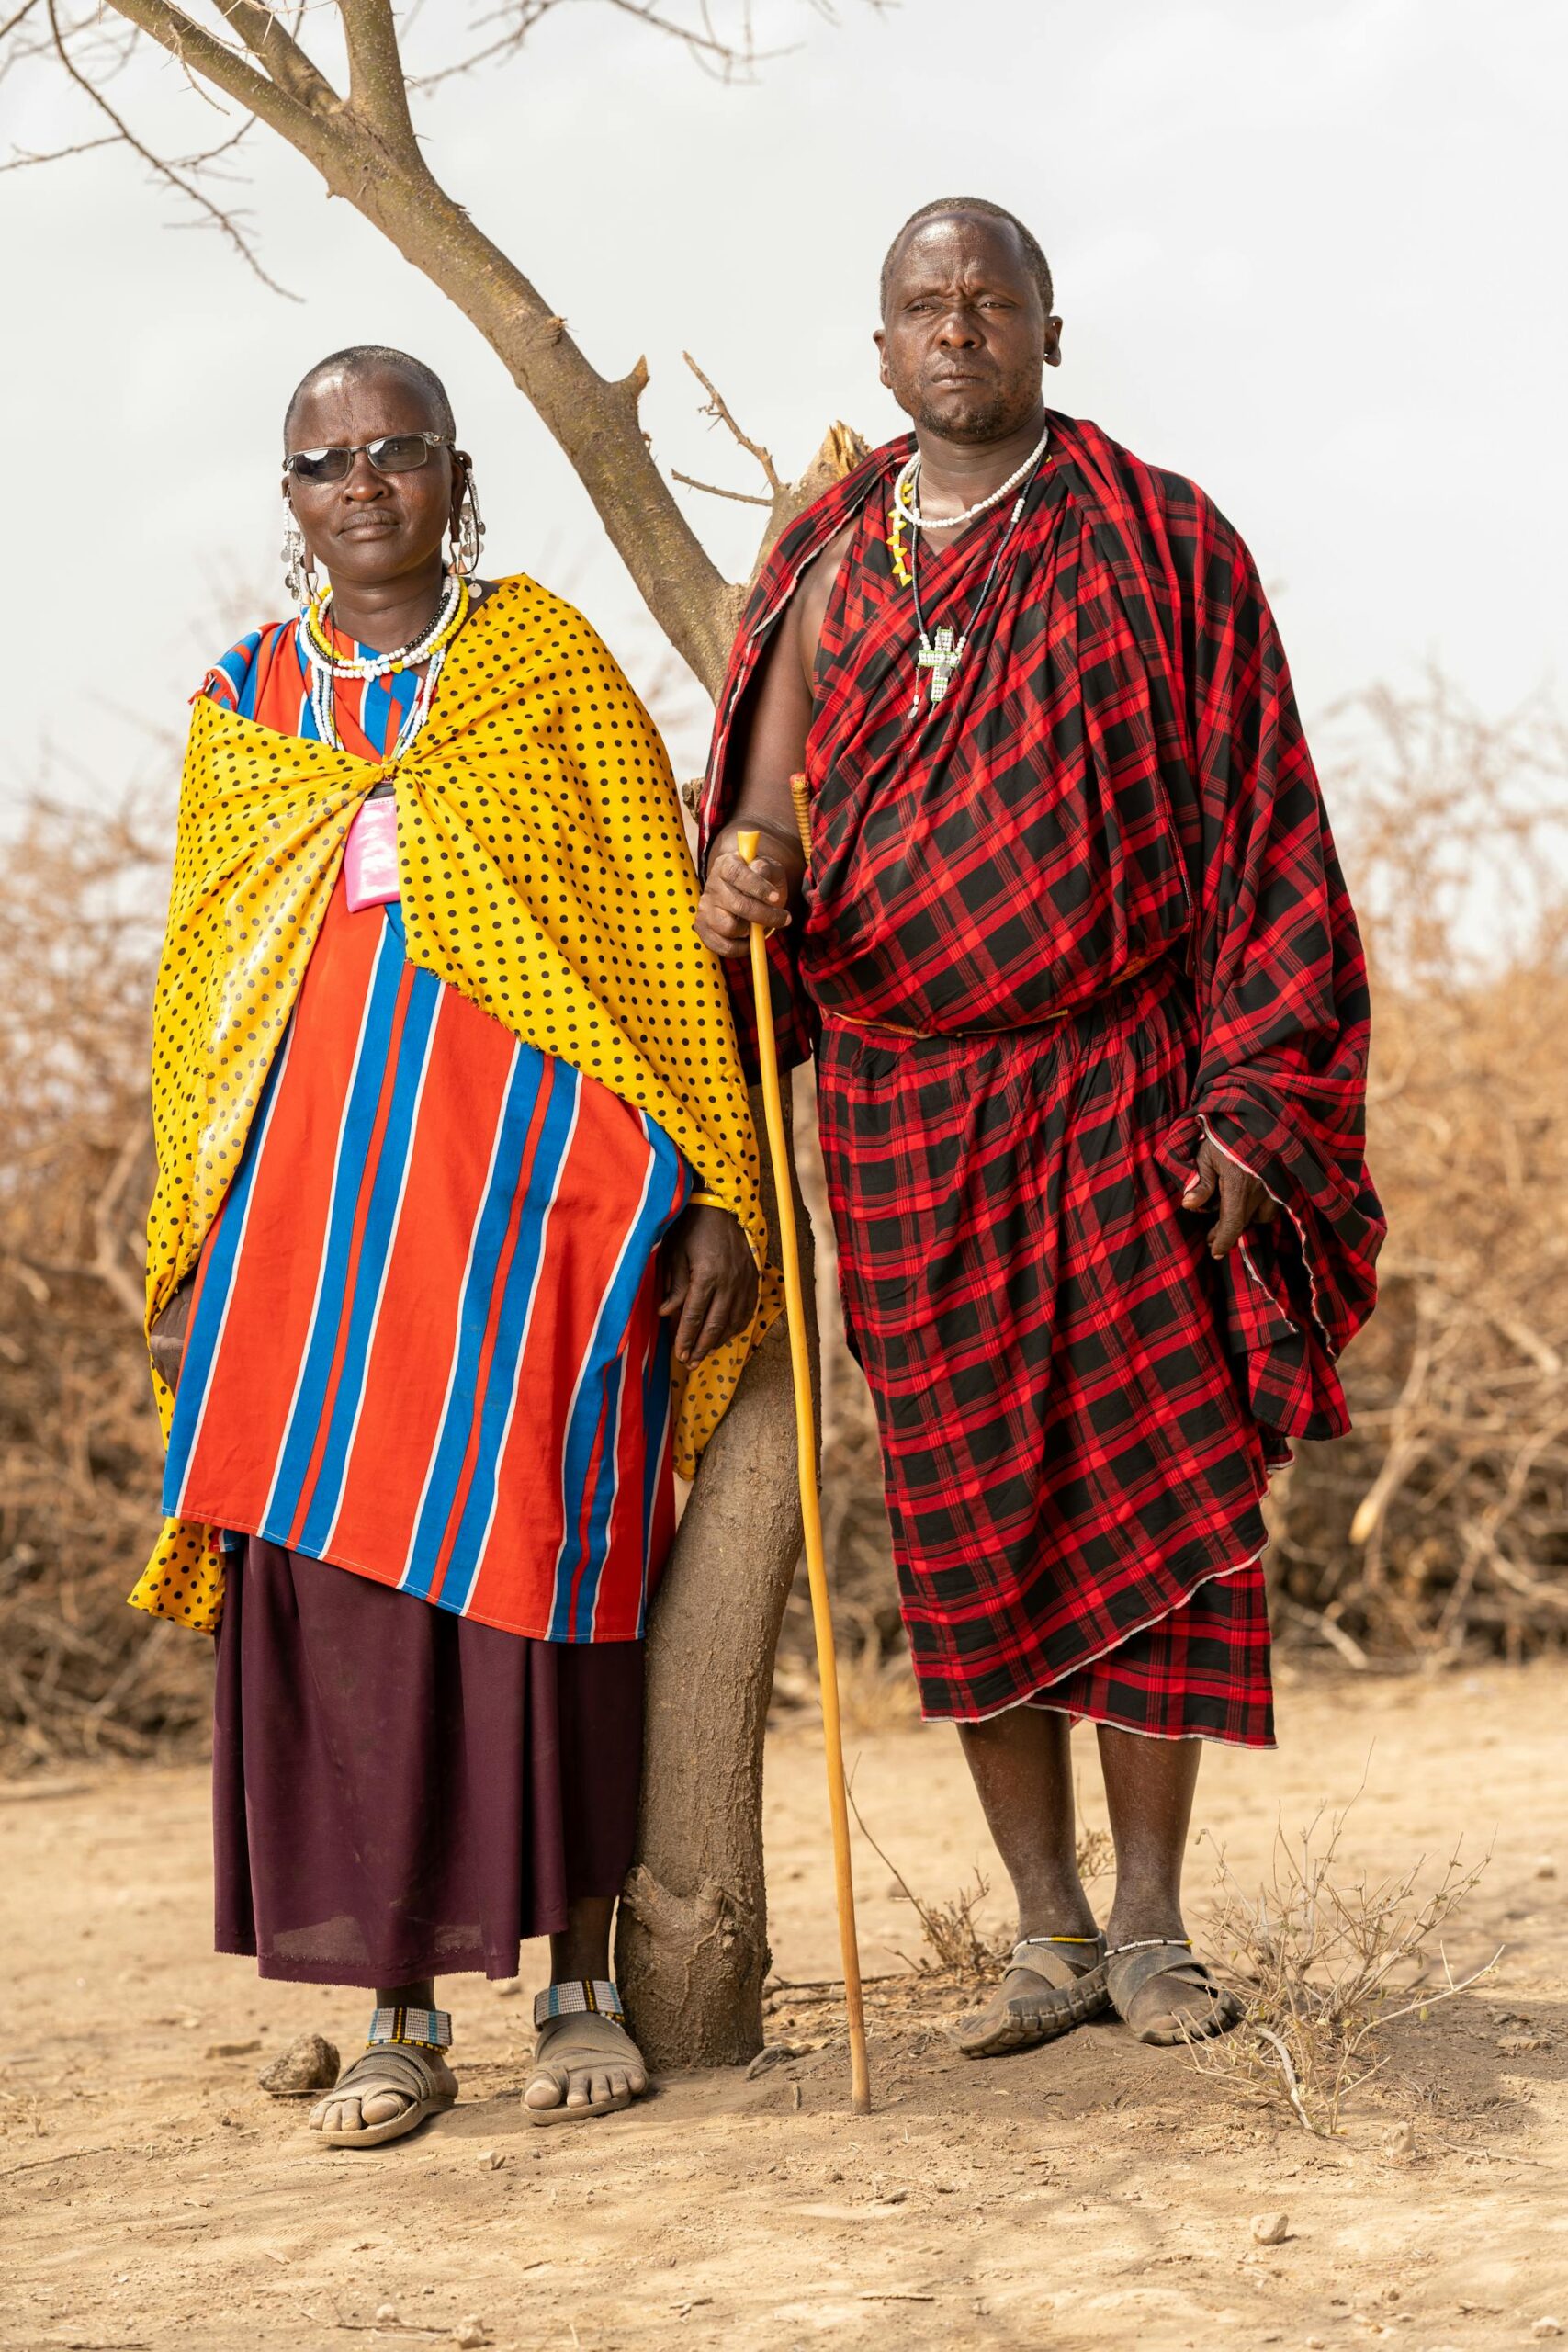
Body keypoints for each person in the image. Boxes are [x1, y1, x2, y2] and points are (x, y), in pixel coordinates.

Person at [695, 201, 1382, 2053]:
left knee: (1157, 1492)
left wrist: (1250, 1096)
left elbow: (1273, 831)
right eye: (924, 305)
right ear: (880, 350)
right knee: (967, 1506)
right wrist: (746, 870)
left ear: (1048, 332)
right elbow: (759, 815)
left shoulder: (1162, 539)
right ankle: (1046, 1929)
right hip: (904, 1106)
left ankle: (1153, 1925)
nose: (958, 328)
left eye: (990, 300)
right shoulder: (823, 563)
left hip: (1124, 1081)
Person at [135, 345, 771, 2143]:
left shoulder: (544, 662)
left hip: (544, 1209)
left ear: (454, 475)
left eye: (395, 447)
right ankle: (397, 2012)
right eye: (325, 459)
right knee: (348, 1599)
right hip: (315, 1229)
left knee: (548, 1565)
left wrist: (706, 1188)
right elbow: (201, 1001)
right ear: (290, 498)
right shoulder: (244, 704)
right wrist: (196, 1240)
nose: (362, 481)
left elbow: (650, 939)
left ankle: (577, 1983)